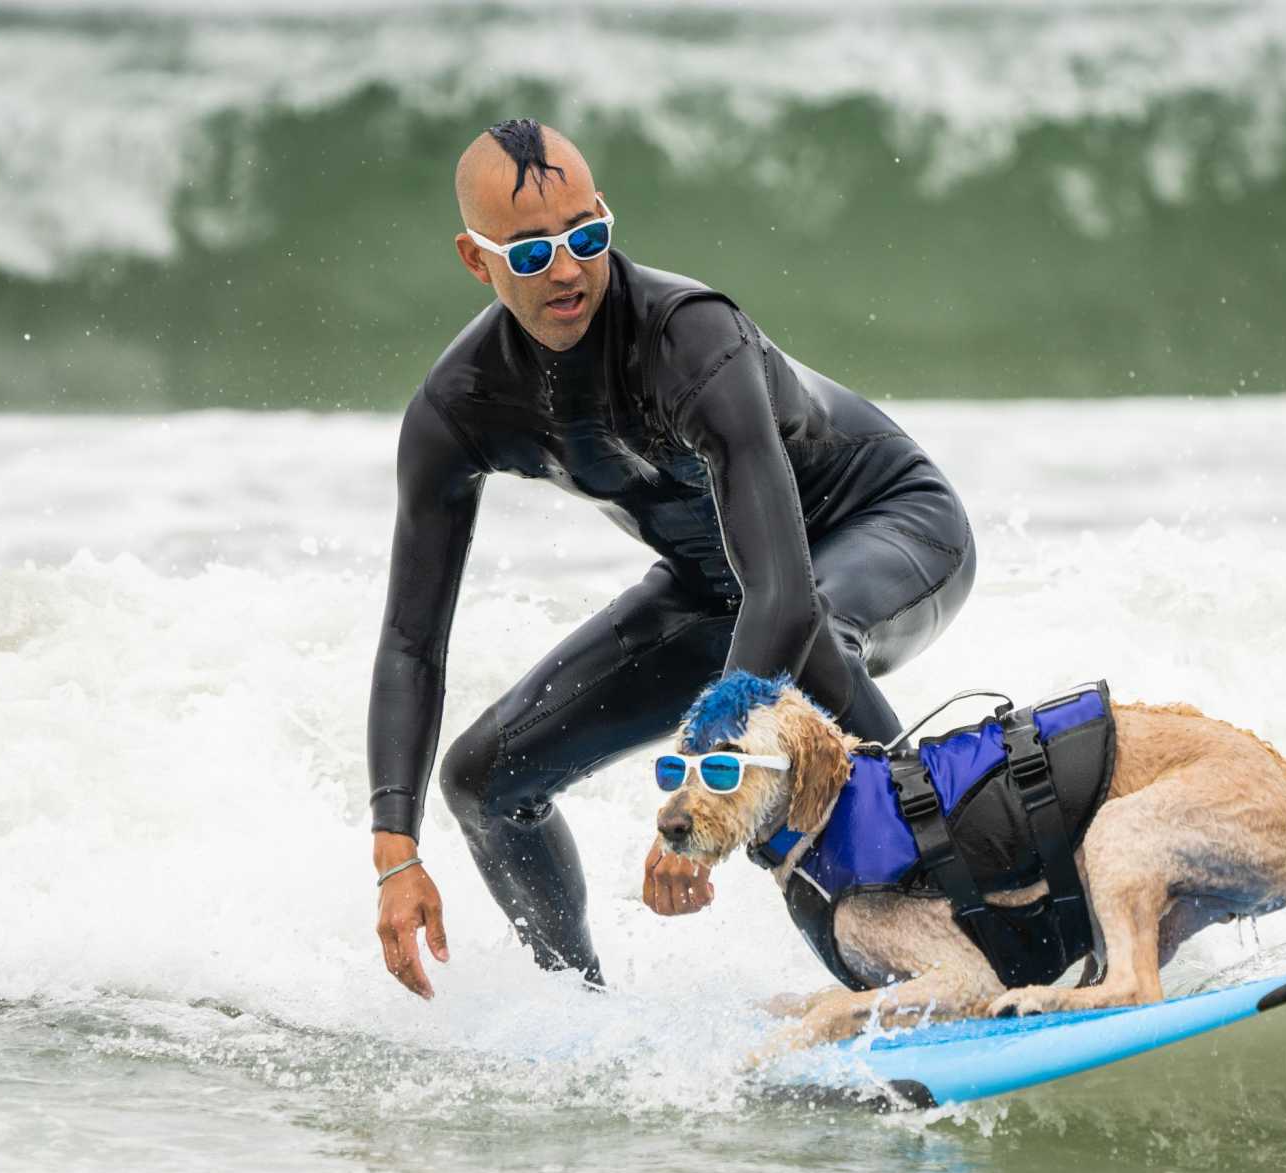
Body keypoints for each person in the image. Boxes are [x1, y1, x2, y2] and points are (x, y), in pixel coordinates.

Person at [366, 118, 976, 997]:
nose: (569, 269)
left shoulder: (689, 337)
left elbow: (785, 594)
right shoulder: (460, 405)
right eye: (533, 254)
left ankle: (959, 924)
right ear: (476, 259)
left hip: (888, 526)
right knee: (483, 780)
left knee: (805, 651)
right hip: (716, 590)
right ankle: (579, 1014)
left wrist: (702, 784)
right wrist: (396, 853)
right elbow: (409, 643)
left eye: (586, 236)